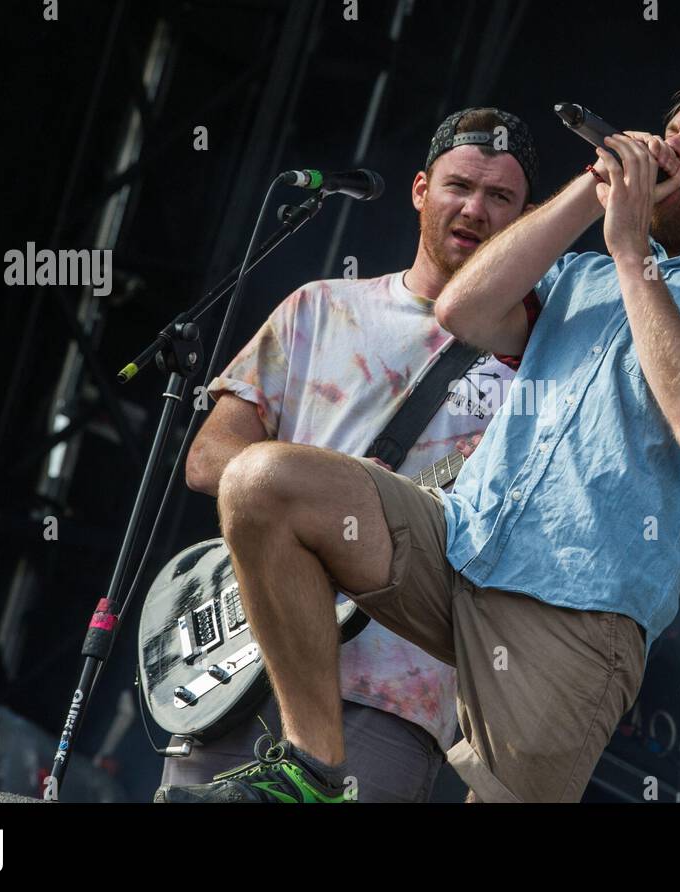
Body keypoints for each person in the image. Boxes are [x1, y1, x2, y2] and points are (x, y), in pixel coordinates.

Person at [160, 45, 680, 803]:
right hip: (460, 545)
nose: (671, 148)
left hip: (579, 613)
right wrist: (592, 189)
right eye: (672, 130)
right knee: (262, 481)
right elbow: (463, 312)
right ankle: (310, 765)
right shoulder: (582, 273)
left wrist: (633, 249)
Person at [153, 107, 539, 803]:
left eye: (500, 197)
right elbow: (211, 457)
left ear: (527, 219)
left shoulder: (542, 375)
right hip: (243, 665)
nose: (474, 208)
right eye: (458, 186)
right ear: (421, 190)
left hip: (390, 693)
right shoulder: (320, 307)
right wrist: (315, 507)